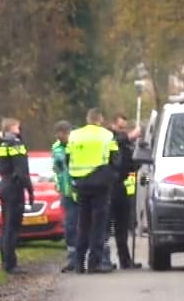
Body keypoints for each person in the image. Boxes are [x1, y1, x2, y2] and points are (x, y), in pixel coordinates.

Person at [65, 109, 118, 274]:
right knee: (99, 224)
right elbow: (115, 159)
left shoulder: (74, 135)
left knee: (83, 223)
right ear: (100, 119)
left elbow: (67, 159)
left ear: (87, 119)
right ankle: (94, 263)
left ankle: (79, 263)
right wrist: (111, 176)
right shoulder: (107, 135)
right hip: (100, 184)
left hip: (80, 183)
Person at [0, 118, 32, 274]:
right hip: (14, 187)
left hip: (4, 184)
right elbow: (22, 170)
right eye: (17, 127)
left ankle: (5, 260)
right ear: (10, 128)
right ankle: (10, 264)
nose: (19, 130)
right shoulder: (15, 143)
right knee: (12, 227)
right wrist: (30, 189)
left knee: (6, 225)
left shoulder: (0, 143)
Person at [109, 114, 141, 270]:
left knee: (122, 227)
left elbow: (132, 166)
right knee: (105, 227)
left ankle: (125, 261)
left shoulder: (126, 143)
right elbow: (117, 140)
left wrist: (139, 155)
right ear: (113, 125)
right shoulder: (109, 137)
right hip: (108, 186)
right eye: (120, 128)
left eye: (124, 128)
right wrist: (129, 136)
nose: (122, 131)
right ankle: (103, 259)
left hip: (121, 187)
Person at [52, 121, 78, 272]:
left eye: (60, 134)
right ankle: (72, 259)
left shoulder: (76, 144)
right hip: (67, 192)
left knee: (81, 225)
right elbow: (57, 167)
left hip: (79, 191)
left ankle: (83, 258)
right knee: (69, 226)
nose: (58, 137)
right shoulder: (56, 147)